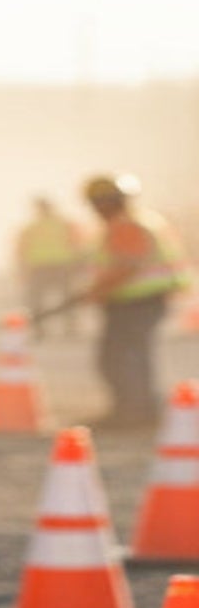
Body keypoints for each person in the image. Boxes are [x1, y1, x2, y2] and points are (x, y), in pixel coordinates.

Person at [80, 173, 191, 430]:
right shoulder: (139, 222)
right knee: (129, 357)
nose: (100, 208)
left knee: (123, 358)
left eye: (105, 202)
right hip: (136, 301)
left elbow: (127, 266)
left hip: (136, 302)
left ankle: (136, 414)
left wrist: (96, 290)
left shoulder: (128, 226)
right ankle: (136, 411)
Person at [15, 195, 86, 339]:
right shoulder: (65, 224)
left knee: (37, 301)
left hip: (42, 268)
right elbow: (78, 245)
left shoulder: (30, 228)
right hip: (61, 266)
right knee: (67, 299)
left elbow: (21, 251)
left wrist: (22, 270)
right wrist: (80, 266)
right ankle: (70, 329)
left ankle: (40, 331)